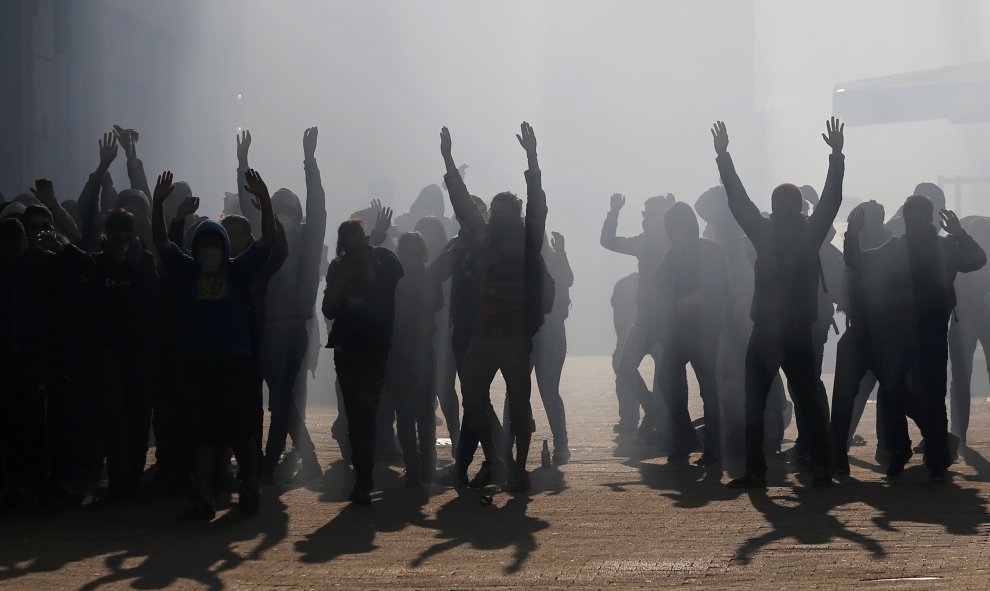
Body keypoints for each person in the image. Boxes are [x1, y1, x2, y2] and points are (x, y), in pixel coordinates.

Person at [712, 118, 845, 489]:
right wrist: (836, 157)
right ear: (800, 208)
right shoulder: (809, 235)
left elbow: (737, 200)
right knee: (807, 400)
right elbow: (832, 201)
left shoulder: (763, 234)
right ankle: (822, 467)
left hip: (767, 330)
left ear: (774, 207)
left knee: (754, 401)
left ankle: (756, 470)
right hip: (798, 330)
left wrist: (724, 157)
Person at [152, 169, 275, 519]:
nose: (209, 251)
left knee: (240, 432)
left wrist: (264, 199)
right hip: (198, 364)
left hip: (234, 363)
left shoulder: (238, 271)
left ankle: (250, 484)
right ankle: (204, 497)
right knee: (202, 435)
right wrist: (158, 205)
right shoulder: (188, 271)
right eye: (204, 245)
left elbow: (267, 238)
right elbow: (162, 243)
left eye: (214, 244)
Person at [440, 122, 548, 492]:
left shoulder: (527, 239)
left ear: (515, 215)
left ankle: (518, 467)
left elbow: (538, 203)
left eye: (504, 211)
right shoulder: (484, 237)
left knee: (519, 404)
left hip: (515, 334)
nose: (496, 217)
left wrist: (532, 159)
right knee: (473, 395)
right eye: (495, 211)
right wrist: (448, 160)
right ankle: (497, 459)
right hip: (485, 334)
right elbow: (461, 202)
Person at [845, 196, 985, 480]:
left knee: (932, 393)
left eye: (919, 220)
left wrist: (959, 234)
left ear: (929, 220)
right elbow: (858, 261)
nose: (914, 226)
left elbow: (978, 259)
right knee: (893, 390)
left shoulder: (945, 248)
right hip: (899, 331)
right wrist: (852, 234)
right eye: (910, 221)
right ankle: (901, 453)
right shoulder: (898, 248)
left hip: (932, 332)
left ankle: (934, 456)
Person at [237, 128, 327, 485]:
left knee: (280, 400)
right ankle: (293, 458)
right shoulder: (265, 238)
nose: (285, 216)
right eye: (280, 210)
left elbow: (318, 207)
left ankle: (269, 465)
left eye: (290, 211)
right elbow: (249, 208)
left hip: (292, 329)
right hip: (262, 328)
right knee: (275, 400)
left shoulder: (307, 242)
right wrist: (242, 163)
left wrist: (310, 162)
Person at [322, 217, 403, 504]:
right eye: (349, 244)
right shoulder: (338, 268)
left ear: (367, 239)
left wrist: (367, 266)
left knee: (367, 411)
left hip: (374, 347)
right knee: (354, 412)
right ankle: (362, 473)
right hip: (347, 348)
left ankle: (365, 475)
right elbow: (329, 310)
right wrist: (341, 278)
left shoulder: (384, 260)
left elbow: (382, 298)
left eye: (360, 241)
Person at [656, 202, 728, 465]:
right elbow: (660, 280)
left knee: (708, 388)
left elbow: (721, 287)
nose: (673, 233)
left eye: (675, 227)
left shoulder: (710, 250)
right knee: (667, 381)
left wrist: (695, 299)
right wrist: (675, 251)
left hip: (704, 329)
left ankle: (714, 448)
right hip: (679, 330)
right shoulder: (675, 253)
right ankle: (686, 436)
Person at [601, 191, 675, 445]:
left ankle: (665, 423)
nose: (648, 219)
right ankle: (653, 410)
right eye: (646, 213)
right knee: (625, 366)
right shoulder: (643, 242)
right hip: (645, 319)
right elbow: (608, 241)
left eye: (654, 214)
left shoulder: (676, 242)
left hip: (669, 320)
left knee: (665, 376)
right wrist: (614, 212)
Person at [830, 200, 889, 473]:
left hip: (863, 328)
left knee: (854, 393)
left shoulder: (856, 243)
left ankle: (840, 446)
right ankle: (887, 446)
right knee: (888, 393)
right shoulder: (889, 243)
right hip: (886, 331)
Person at [389, 231, 444, 487]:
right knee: (423, 411)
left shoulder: (394, 277)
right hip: (422, 347)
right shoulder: (428, 275)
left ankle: (414, 468)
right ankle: (425, 467)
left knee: (407, 413)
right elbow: (438, 304)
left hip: (401, 348)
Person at [948, 216, 990, 446]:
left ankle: (957, 434)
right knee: (961, 376)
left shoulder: (958, 240)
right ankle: (957, 434)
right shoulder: (977, 240)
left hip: (961, 313)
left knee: (960, 377)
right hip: (975, 312)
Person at [610, 273, 640, 433]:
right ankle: (661, 414)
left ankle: (630, 417)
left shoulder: (623, 285)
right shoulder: (624, 285)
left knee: (622, 367)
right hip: (644, 329)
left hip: (633, 331)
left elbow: (619, 318)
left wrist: (621, 341)